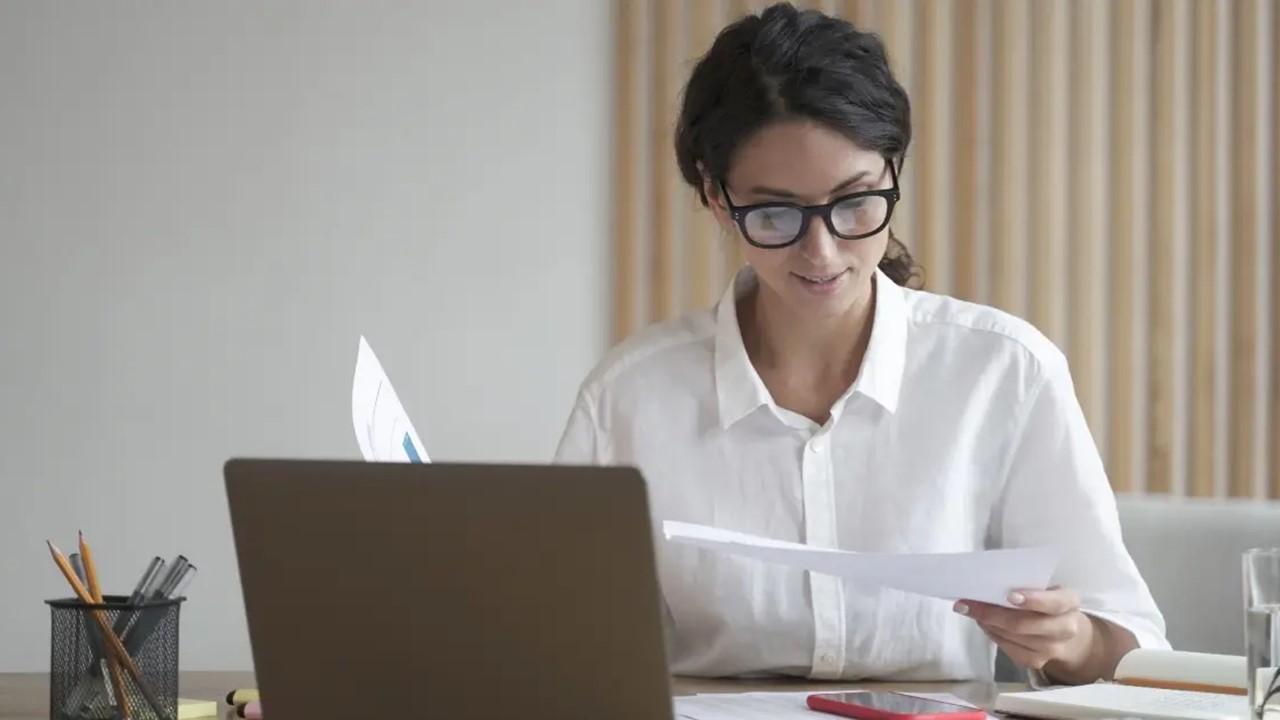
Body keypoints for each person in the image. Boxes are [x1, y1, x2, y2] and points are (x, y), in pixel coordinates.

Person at [555, 2, 1166, 683]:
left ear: (892, 171)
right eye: (776, 213)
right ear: (716, 195)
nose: (822, 251)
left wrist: (1070, 640)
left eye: (854, 203)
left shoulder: (1003, 373)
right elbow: (560, 648)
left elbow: (1135, 654)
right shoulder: (631, 397)